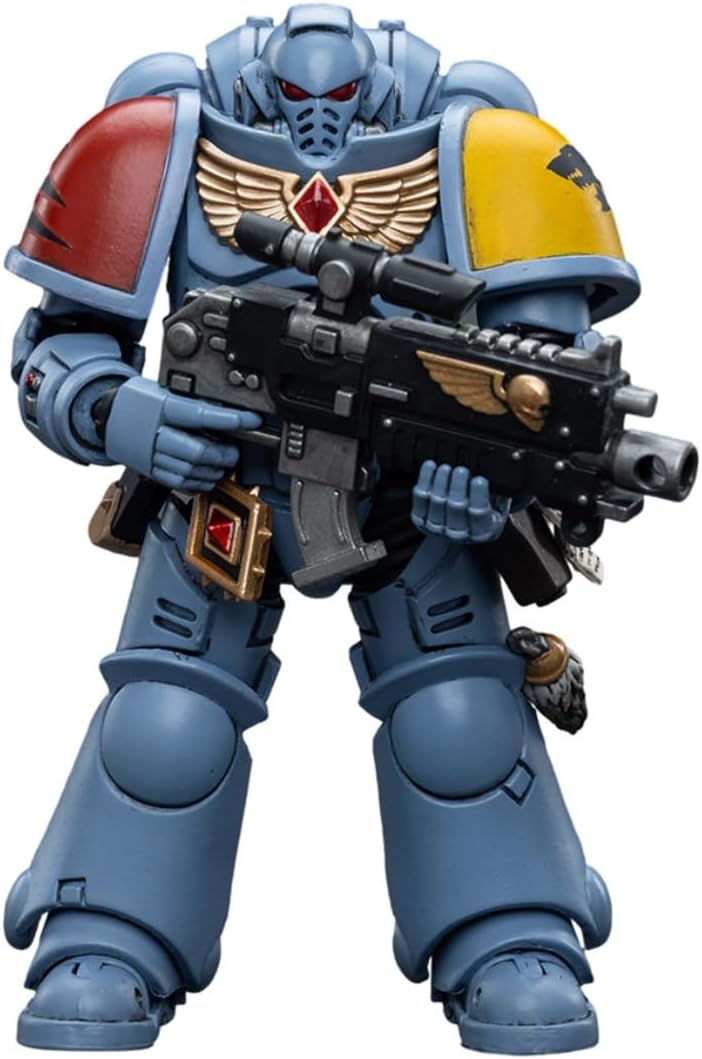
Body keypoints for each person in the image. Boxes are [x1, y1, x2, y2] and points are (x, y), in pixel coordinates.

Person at [4, 6, 640, 1052]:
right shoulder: (168, 121)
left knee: (459, 719)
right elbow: (58, 349)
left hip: (403, 502)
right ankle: (106, 927)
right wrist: (124, 413)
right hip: (219, 490)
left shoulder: (480, 136)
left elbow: (540, 373)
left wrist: (489, 486)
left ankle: (511, 925)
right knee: (164, 726)